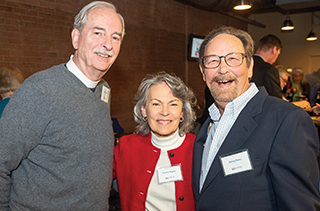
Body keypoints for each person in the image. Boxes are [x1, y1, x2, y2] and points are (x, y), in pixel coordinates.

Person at [0, 1, 125, 210]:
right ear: (76, 38)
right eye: (98, 33)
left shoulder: (104, 90)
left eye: (115, 37)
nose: (108, 45)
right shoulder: (40, 90)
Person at [192, 26, 320, 210]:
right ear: (203, 72)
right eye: (212, 61)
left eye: (232, 59)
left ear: (250, 66)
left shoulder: (287, 120)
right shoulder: (206, 127)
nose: (222, 69)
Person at [113, 72, 197, 211]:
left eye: (173, 104)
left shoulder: (199, 149)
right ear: (144, 110)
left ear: (182, 112)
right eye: (156, 104)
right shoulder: (127, 147)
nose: (165, 112)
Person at [250, 34, 283, 98]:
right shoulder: (269, 69)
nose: (275, 61)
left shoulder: (244, 63)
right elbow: (276, 100)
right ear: (274, 49)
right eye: (278, 54)